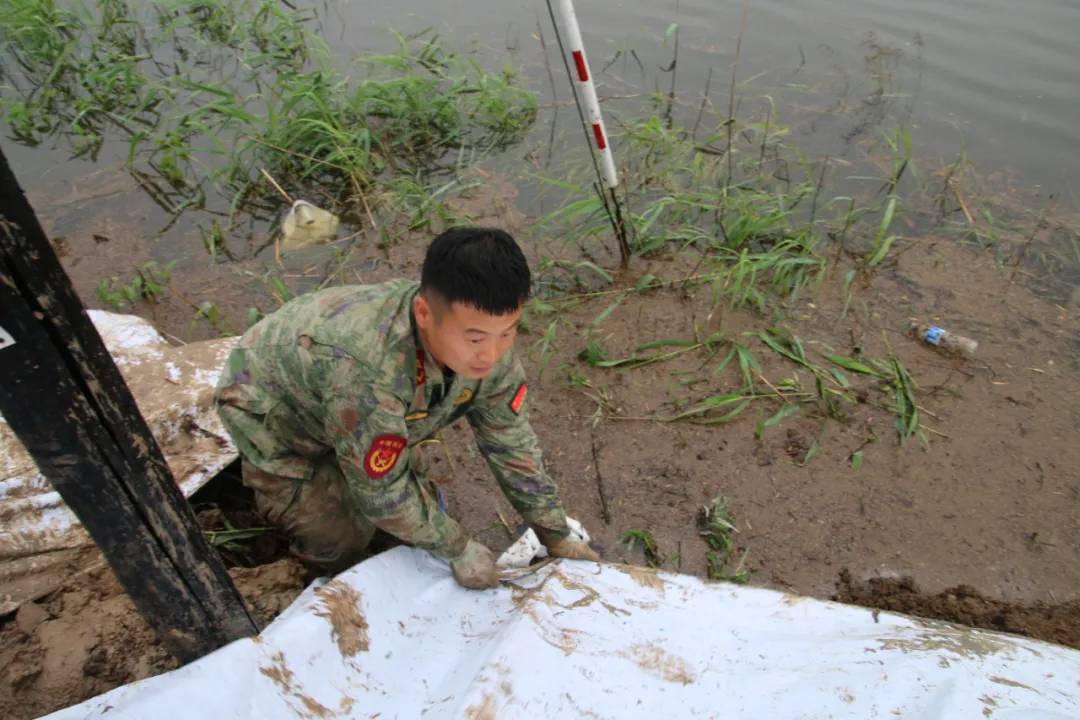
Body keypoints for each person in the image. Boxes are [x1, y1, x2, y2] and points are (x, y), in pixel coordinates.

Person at [213, 227, 599, 589]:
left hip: (347, 403)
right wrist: (459, 547)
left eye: (507, 333)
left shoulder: (486, 357)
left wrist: (554, 532)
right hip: (273, 409)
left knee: (410, 511)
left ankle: (354, 465)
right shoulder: (368, 372)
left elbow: (513, 447)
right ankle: (284, 510)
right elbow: (380, 490)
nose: (491, 354)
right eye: (476, 338)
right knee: (344, 540)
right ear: (424, 314)